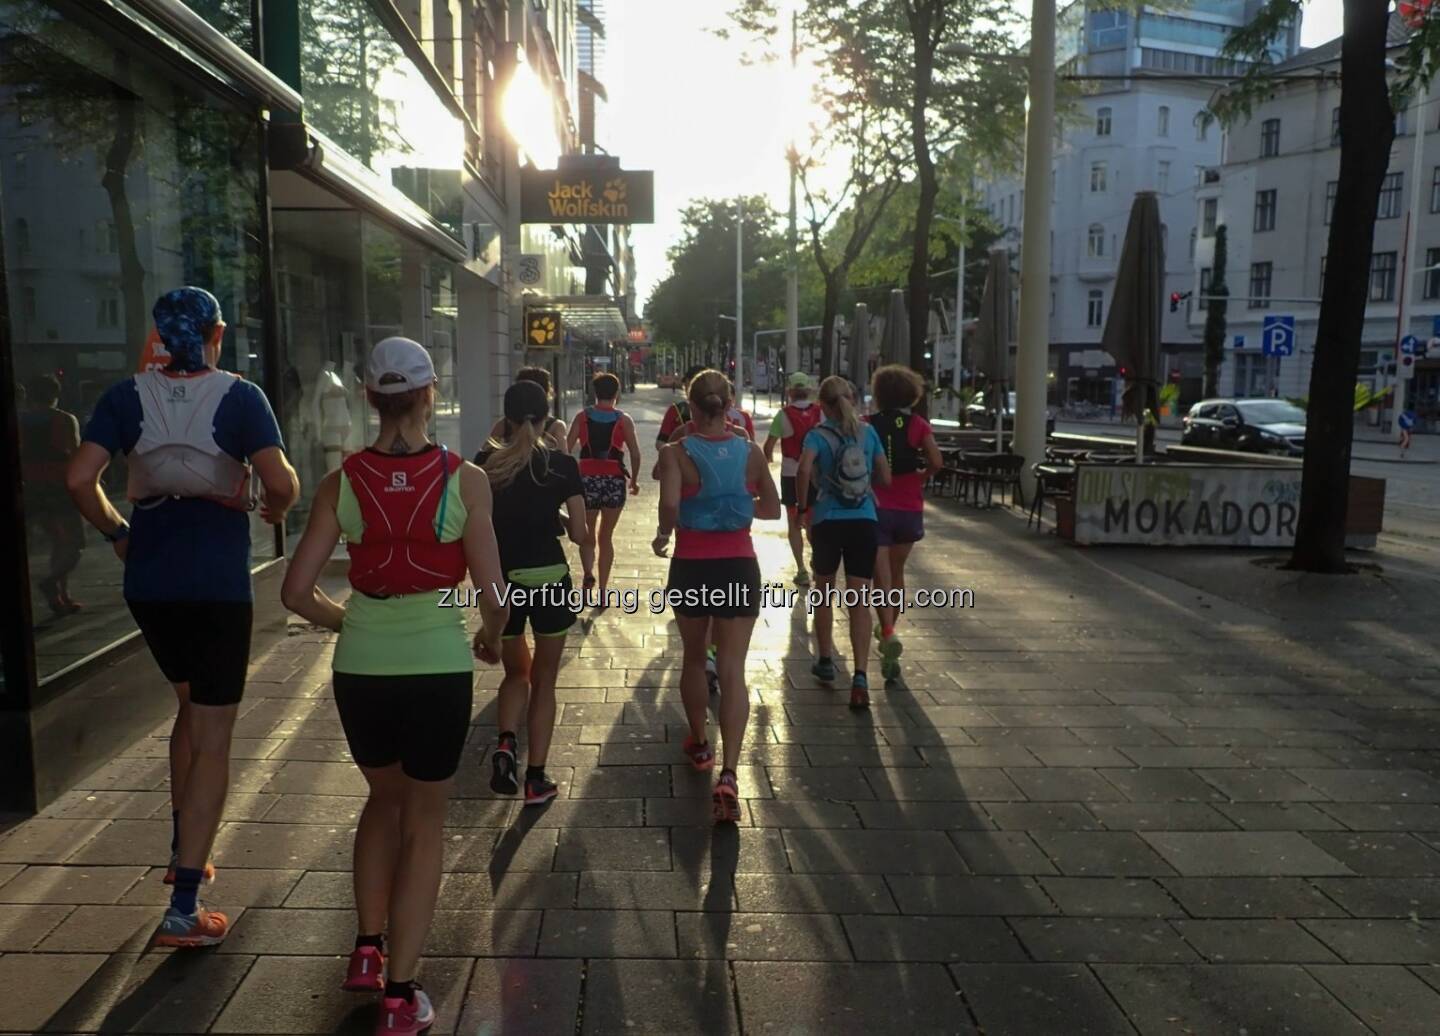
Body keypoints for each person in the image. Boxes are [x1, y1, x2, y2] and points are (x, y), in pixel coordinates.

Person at [281, 336, 507, 1036]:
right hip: (438, 665)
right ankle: (403, 997)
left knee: (381, 800)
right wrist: (492, 638)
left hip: (362, 667)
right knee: (426, 821)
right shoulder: (463, 479)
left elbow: (295, 591)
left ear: (370, 397)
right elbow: (493, 590)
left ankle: (367, 949)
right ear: (430, 393)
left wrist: (345, 619)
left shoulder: (340, 482)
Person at [66, 287, 300, 947]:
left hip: (150, 580)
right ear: (217, 333)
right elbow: (279, 482)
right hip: (217, 585)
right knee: (215, 734)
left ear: (161, 336)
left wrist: (117, 532)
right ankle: (185, 907)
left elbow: (81, 477)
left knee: (188, 706)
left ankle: (180, 848)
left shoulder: (124, 396)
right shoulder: (239, 396)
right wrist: (277, 512)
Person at [653, 370, 779, 821]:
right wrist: (737, 508)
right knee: (732, 669)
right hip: (739, 565)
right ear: (728, 403)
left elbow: (669, 506)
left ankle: (700, 744)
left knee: (692, 659)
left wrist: (667, 531)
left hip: (692, 565)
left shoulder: (676, 452)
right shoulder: (749, 451)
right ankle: (728, 773)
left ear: (689, 405)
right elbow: (772, 507)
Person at [480, 381, 590, 805]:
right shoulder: (562, 465)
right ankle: (537, 779)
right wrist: (557, 514)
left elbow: (477, 529)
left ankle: (506, 745)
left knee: (514, 674)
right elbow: (580, 533)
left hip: (502, 583)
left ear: (506, 418)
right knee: (545, 681)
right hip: (549, 578)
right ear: (547, 417)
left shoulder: (484, 464)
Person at [795, 375, 891, 709]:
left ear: (822, 404)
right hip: (864, 520)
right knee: (859, 600)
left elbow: (804, 470)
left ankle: (825, 660)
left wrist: (803, 508)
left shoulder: (817, 436)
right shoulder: (868, 433)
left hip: (827, 521)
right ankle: (861, 675)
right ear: (850, 398)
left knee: (822, 591)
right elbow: (885, 476)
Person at [866, 365, 944, 687]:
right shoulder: (918, 425)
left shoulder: (867, 425)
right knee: (897, 574)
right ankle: (889, 633)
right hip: (909, 507)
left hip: (876, 507)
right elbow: (937, 462)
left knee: (879, 577)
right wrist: (920, 478)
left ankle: (886, 631)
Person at [567, 372, 640, 598]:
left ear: (594, 393)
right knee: (605, 537)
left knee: (587, 532)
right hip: (614, 481)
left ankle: (588, 572)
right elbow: (636, 454)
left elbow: (566, 450)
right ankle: (603, 589)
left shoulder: (582, 417)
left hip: (587, 480)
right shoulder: (623, 420)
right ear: (616, 393)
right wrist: (634, 480)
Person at [20, 374, 84, 615]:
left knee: (57, 542)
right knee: (73, 544)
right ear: (55, 395)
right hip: (59, 489)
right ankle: (52, 582)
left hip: (30, 489)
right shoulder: (64, 420)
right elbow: (77, 456)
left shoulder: (18, 422)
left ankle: (61, 597)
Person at [763, 371, 823, 586]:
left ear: (789, 391)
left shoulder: (783, 415)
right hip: (817, 476)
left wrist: (767, 462)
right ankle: (819, 562)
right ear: (808, 391)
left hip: (791, 474)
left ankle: (801, 570)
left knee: (794, 523)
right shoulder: (821, 413)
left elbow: (768, 447)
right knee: (814, 522)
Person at [487, 365, 568, 450]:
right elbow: (566, 460)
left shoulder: (504, 424)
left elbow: (484, 455)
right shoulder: (556, 426)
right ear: (545, 394)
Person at [656, 364, 706, 450]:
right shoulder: (720, 411)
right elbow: (661, 443)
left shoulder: (676, 410)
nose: (685, 388)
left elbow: (660, 443)